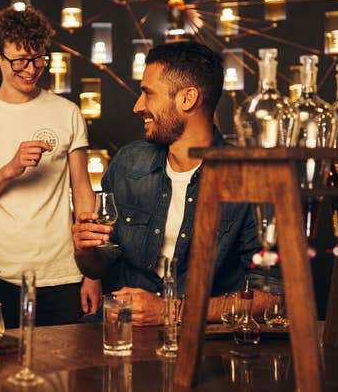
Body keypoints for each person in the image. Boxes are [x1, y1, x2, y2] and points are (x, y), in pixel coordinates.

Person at [71, 41, 277, 325]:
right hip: (123, 330)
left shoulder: (249, 178)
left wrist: (172, 311)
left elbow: (273, 295)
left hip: (206, 341)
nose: (137, 106)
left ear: (187, 98)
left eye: (147, 93)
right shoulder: (128, 163)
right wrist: (85, 250)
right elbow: (99, 265)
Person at [0, 6, 100, 327]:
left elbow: (83, 193)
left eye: (38, 59)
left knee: (64, 375)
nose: (31, 70)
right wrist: (11, 168)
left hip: (62, 276)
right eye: (19, 61)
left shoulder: (67, 112)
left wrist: (93, 272)